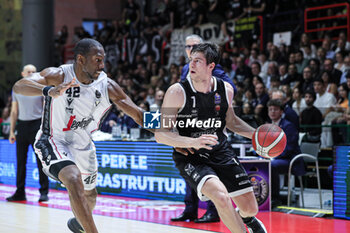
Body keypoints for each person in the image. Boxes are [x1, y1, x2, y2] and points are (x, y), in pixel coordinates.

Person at [12, 39, 148, 233]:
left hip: (84, 144)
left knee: (90, 194)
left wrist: (171, 129)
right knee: (74, 179)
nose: (102, 66)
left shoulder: (106, 85)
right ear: (81, 60)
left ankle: (79, 225)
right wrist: (48, 91)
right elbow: (19, 86)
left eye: (103, 61)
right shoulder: (58, 75)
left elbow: (138, 114)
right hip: (53, 140)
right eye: (98, 60)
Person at [155, 43, 267, 233]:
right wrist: (192, 141)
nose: (192, 64)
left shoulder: (226, 90)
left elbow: (231, 122)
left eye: (197, 61)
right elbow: (161, 134)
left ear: (211, 66)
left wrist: (256, 135)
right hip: (191, 155)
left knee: (250, 208)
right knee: (221, 197)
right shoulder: (176, 91)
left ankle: (245, 218)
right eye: (191, 60)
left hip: (220, 151)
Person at [174, 34, 236, 223]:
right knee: (190, 170)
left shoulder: (213, 69)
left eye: (195, 46)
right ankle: (190, 210)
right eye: (188, 47)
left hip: (210, 127)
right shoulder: (187, 68)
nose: (190, 49)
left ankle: (213, 211)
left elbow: (229, 88)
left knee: (212, 172)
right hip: (190, 127)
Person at [6, 64, 49, 202]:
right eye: (28, 71)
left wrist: (46, 130)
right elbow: (14, 111)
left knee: (40, 161)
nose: (31, 73)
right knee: (20, 161)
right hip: (22, 126)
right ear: (22, 74)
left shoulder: (40, 88)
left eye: (34, 72)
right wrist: (12, 131)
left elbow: (46, 110)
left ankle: (44, 192)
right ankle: (20, 192)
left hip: (37, 125)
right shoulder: (16, 89)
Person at [267, 99, 305, 207]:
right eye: (270, 109)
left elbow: (289, 148)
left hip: (291, 160)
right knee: (259, 163)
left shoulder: (289, 126)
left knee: (271, 165)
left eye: (275, 109)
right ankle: (262, 197)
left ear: (281, 112)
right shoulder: (268, 126)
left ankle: (275, 198)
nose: (273, 112)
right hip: (276, 158)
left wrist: (273, 157)